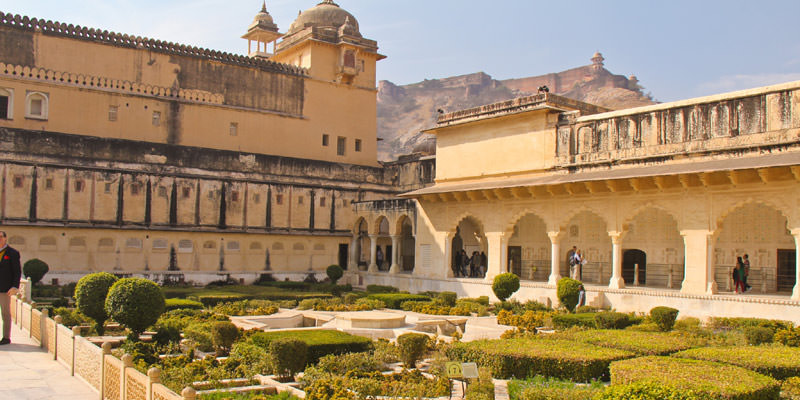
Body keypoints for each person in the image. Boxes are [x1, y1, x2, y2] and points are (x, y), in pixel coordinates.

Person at [0, 231, 22, 345]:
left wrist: (15, 286)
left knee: (5, 313)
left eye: (0, 237)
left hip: (5, 289)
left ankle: (6, 337)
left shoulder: (12, 253)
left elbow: (17, 272)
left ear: (5, 238)